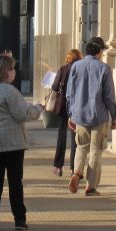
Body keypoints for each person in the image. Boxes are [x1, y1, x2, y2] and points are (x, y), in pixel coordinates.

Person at [0, 54, 43, 231]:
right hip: (13, 143)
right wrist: (38, 109)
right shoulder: (10, 91)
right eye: (11, 69)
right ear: (4, 71)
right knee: (15, 182)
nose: (14, 72)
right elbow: (21, 114)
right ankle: (19, 218)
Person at [65, 36, 116, 196]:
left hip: (79, 114)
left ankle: (76, 173)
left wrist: (71, 114)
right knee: (96, 150)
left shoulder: (76, 66)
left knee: (81, 147)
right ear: (99, 52)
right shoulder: (104, 68)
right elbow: (109, 96)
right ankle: (91, 186)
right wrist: (114, 116)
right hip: (99, 115)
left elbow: (69, 93)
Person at [51, 49, 81, 177]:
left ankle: (58, 166)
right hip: (76, 105)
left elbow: (54, 87)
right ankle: (74, 168)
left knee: (61, 134)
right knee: (75, 136)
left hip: (63, 105)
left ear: (68, 58)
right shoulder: (80, 70)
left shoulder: (63, 69)